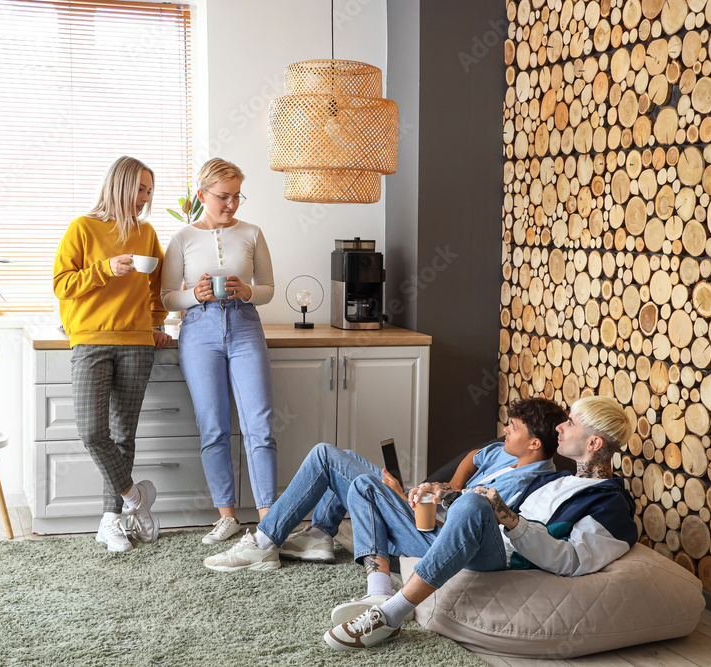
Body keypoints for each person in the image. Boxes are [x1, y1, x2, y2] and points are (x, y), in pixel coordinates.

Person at [323, 395, 636, 651]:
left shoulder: (610, 505)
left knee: (474, 502)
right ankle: (376, 591)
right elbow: (477, 472)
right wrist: (442, 491)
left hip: (502, 557)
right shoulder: (557, 480)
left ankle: (390, 615)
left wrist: (508, 518)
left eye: (570, 423)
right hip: (470, 540)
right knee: (367, 484)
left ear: (594, 443)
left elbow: (570, 560)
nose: (561, 428)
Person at [202, 397, 567, 574]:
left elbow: (471, 527)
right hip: (425, 512)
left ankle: (265, 543)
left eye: (514, 428)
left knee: (327, 457)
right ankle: (319, 534)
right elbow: (475, 455)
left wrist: (397, 496)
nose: (506, 430)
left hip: (434, 537)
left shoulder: (532, 484)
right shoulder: (506, 453)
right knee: (341, 455)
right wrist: (445, 484)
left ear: (535, 443)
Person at [53, 156, 171, 554]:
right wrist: (105, 269)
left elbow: (158, 292)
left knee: (123, 436)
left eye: (150, 191)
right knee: (92, 432)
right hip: (90, 340)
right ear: (119, 186)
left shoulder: (147, 233)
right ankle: (136, 497)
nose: (145, 198)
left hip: (137, 342)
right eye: (140, 189)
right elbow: (63, 285)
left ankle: (111, 521)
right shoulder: (82, 229)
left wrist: (155, 324)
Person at [160, 158, 277, 545]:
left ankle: (268, 520)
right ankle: (226, 516)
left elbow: (269, 288)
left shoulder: (253, 233)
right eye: (223, 197)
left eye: (236, 196)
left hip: (244, 325)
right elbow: (166, 297)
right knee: (214, 427)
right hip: (199, 330)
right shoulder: (182, 239)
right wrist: (193, 295)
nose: (231, 204)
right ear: (202, 195)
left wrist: (247, 291)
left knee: (259, 426)